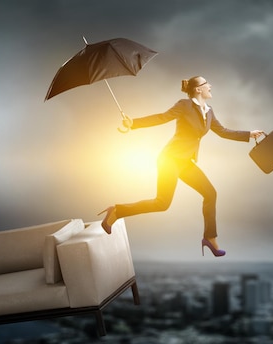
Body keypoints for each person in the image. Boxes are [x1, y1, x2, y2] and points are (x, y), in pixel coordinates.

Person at [99, 76, 264, 257]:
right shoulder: (184, 105)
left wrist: (249, 134)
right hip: (170, 159)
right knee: (162, 203)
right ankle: (117, 210)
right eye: (206, 83)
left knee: (210, 193)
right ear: (198, 89)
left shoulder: (209, 112)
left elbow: (223, 131)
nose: (210, 85)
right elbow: (162, 117)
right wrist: (134, 124)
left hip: (186, 162)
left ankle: (210, 238)